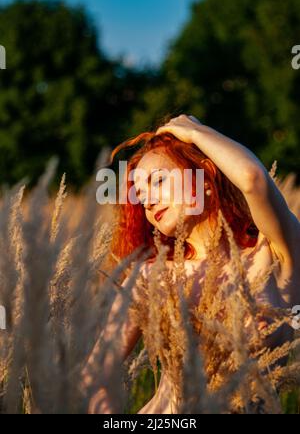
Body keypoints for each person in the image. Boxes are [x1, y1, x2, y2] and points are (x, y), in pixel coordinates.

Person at [83, 114, 300, 414]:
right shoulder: (151, 275)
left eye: (158, 180)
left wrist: (197, 132)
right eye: (141, 194)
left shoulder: (274, 254)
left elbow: (252, 180)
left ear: (205, 178)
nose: (147, 201)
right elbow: (97, 372)